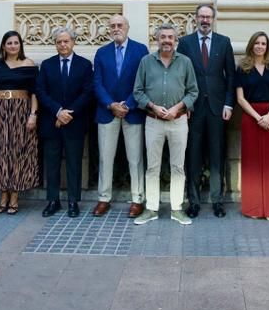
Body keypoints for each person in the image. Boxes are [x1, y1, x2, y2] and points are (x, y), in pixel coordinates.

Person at [133, 24, 199, 226]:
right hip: (153, 121)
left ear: (175, 40)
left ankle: (177, 209)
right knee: (152, 167)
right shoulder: (146, 61)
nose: (167, 40)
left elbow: (193, 91)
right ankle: (151, 208)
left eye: (170, 37)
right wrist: (153, 106)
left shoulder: (185, 62)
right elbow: (138, 91)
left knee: (178, 166)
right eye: (163, 37)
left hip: (178, 121)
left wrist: (177, 108)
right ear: (157, 39)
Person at [177, 4, 237, 218]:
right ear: (196, 18)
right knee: (193, 156)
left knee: (216, 155)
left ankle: (217, 201)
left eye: (208, 17)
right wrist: (184, 105)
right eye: (201, 16)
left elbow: (231, 76)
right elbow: (180, 76)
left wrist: (229, 104)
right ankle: (193, 202)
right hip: (193, 109)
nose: (205, 20)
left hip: (217, 109)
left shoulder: (224, 42)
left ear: (213, 19)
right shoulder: (185, 43)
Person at [92, 14, 150, 218]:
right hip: (107, 111)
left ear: (127, 27)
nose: (116, 28)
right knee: (105, 158)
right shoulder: (101, 52)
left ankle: (137, 199)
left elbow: (143, 80)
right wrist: (111, 104)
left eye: (120, 25)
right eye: (112, 26)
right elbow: (97, 83)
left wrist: (127, 104)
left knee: (135, 158)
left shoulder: (140, 50)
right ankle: (104, 198)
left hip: (132, 111)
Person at [35, 27, 94, 218]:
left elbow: (87, 92)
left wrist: (69, 113)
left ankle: (73, 201)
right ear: (55, 44)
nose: (62, 45)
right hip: (51, 122)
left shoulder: (84, 65)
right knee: (52, 163)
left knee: (74, 163)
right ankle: (53, 200)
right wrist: (58, 112)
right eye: (59, 42)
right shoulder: (47, 65)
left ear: (73, 42)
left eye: (66, 41)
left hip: (75, 122)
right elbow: (40, 91)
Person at [0, 30, 39, 214]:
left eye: (16, 43)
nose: (13, 46)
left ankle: (14, 196)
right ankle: (3, 195)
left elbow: (35, 92)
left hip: (21, 112)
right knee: (0, 152)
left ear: (20, 45)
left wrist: (33, 114)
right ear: (3, 46)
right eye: (9, 43)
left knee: (18, 152)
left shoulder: (29, 64)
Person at [234, 31, 269, 220]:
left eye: (263, 43)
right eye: (257, 43)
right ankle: (254, 208)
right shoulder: (242, 67)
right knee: (252, 163)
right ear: (251, 45)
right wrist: (258, 118)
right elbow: (240, 98)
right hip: (251, 117)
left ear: (267, 47)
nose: (260, 46)